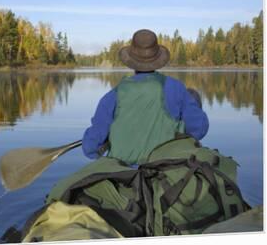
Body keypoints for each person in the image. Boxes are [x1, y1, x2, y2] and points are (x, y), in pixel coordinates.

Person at [82, 29, 209, 164]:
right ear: (158, 59)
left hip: (124, 174)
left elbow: (90, 148)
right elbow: (199, 129)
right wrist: (179, 127)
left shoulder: (112, 96)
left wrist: (108, 138)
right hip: (166, 171)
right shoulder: (176, 88)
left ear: (131, 61)